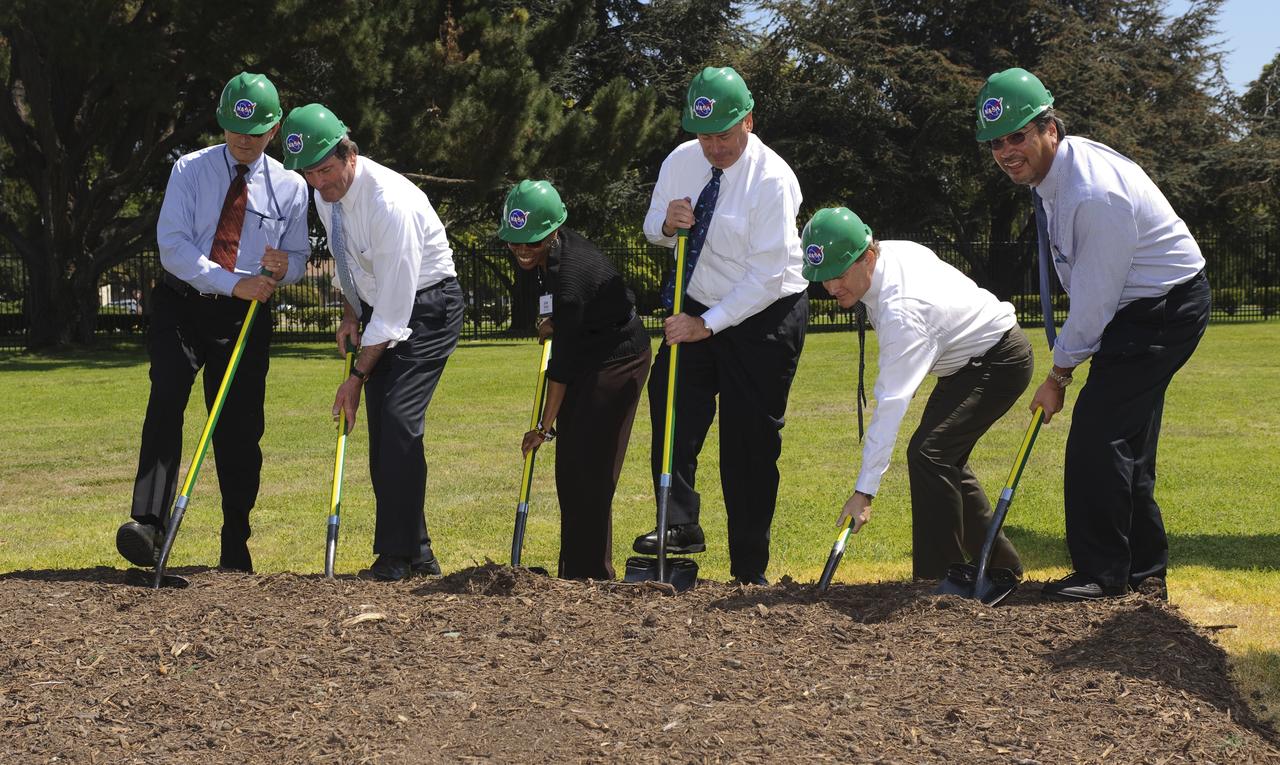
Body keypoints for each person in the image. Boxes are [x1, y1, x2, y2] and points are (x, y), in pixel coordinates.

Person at [976, 68, 1209, 601]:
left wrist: (1058, 373)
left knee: (1096, 439)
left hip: (1160, 310)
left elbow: (1095, 300)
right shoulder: (1057, 177)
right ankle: (1144, 578)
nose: (1007, 152)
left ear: (1048, 129)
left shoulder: (1092, 195)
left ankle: (1101, 576)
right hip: (1141, 307)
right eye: (995, 143)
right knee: (1124, 444)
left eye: (1017, 136)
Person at [116, 72, 309, 573]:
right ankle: (148, 525)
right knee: (166, 401)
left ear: (274, 129)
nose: (243, 140)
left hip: (245, 318)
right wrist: (231, 281)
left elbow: (299, 255)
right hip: (181, 305)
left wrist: (287, 268)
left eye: (256, 131)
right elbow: (174, 247)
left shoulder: (290, 187)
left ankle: (234, 542)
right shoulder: (189, 170)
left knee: (239, 430)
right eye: (233, 129)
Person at [637, 66, 809, 585]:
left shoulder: (772, 179)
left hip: (766, 315)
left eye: (723, 135)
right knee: (670, 409)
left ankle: (747, 569)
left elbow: (764, 277)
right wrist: (667, 223)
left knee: (748, 445)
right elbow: (652, 230)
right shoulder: (680, 161)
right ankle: (680, 524)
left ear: (749, 122)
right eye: (704, 135)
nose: (713, 148)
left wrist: (705, 326)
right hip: (699, 304)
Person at [280, 103, 464, 582]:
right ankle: (417, 555)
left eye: (326, 169)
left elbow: (397, 310)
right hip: (376, 307)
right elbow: (349, 262)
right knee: (386, 435)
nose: (320, 183)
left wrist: (358, 377)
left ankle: (396, 556)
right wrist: (348, 310)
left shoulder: (389, 203)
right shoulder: (326, 195)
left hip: (427, 309)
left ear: (350, 153)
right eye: (310, 174)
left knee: (400, 422)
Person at [801, 207, 1033, 579]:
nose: (831, 288)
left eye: (839, 275)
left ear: (868, 257)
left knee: (930, 453)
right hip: (966, 362)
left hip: (1000, 361)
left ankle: (936, 580)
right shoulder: (888, 257)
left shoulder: (904, 311)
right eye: (823, 278)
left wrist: (864, 492)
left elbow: (891, 404)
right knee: (942, 457)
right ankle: (1002, 568)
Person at [499, 180, 652, 580]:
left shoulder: (571, 279)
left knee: (590, 467)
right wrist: (557, 323)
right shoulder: (551, 256)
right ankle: (576, 571)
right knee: (572, 467)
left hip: (618, 360)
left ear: (552, 231)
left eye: (530, 242)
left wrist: (544, 428)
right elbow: (568, 328)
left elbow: (561, 368)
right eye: (515, 242)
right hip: (589, 349)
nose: (521, 250)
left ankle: (590, 577)